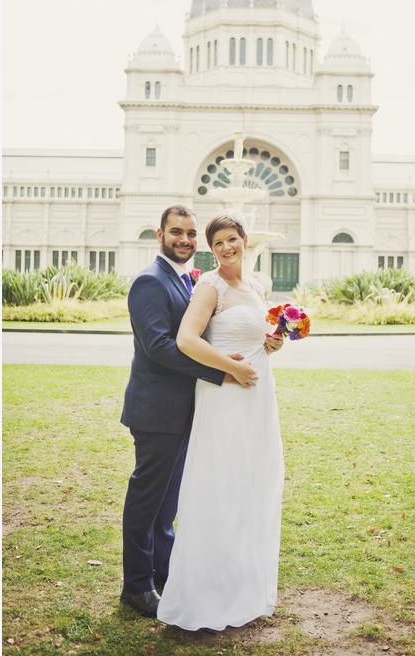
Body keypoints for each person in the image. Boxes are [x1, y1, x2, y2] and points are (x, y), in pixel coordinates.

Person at [118, 206, 260, 618]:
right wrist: (221, 372)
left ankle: (165, 571)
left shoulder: (188, 279)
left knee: (168, 504)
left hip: (187, 410)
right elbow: (160, 347)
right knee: (147, 500)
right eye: (176, 232)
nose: (184, 239)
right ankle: (137, 585)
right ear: (159, 233)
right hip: (156, 411)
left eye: (191, 233)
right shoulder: (149, 281)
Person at [156, 213, 286, 631]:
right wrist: (231, 371)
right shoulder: (209, 286)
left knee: (252, 483)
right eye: (218, 243)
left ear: (246, 240)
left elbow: (255, 338)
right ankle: (207, 595)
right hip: (225, 395)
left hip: (259, 395)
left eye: (233, 239)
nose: (227, 248)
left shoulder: (257, 285)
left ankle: (243, 586)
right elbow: (186, 340)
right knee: (222, 485)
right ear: (212, 250)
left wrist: (273, 343)